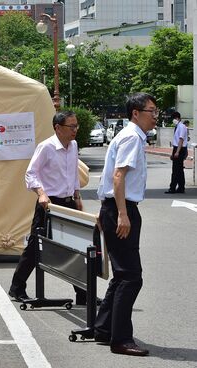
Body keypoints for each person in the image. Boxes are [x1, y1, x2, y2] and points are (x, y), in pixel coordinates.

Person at [94, 92, 157, 356]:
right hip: (122, 209)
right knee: (131, 276)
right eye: (151, 111)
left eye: (156, 111)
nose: (155, 115)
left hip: (115, 208)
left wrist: (106, 210)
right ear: (135, 113)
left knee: (122, 274)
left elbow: (110, 177)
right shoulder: (131, 137)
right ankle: (120, 340)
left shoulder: (128, 135)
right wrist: (122, 214)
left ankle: (104, 328)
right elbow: (118, 176)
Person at [8, 111, 88, 305]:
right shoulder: (46, 147)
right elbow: (31, 174)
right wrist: (41, 193)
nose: (75, 130)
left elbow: (73, 174)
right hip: (49, 204)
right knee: (35, 246)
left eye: (76, 126)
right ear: (58, 128)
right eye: (71, 126)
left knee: (74, 248)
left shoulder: (73, 145)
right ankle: (16, 287)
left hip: (68, 203)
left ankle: (83, 294)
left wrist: (77, 196)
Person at [165, 117, 188, 194]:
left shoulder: (181, 127)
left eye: (173, 118)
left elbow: (181, 140)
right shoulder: (178, 126)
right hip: (177, 148)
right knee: (179, 170)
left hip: (180, 148)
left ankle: (173, 188)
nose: (173, 120)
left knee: (175, 170)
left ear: (177, 118)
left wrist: (177, 152)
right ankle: (181, 187)